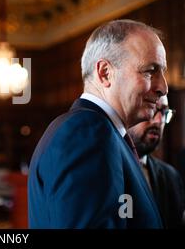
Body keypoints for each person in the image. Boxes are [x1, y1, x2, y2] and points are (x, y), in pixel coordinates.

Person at [28, 19, 167, 228]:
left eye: (162, 72)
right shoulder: (87, 132)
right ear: (105, 73)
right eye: (150, 71)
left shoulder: (100, 131)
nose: (163, 87)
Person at [127, 95, 185, 228]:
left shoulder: (171, 177)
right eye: (151, 109)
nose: (159, 120)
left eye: (164, 112)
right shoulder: (107, 171)